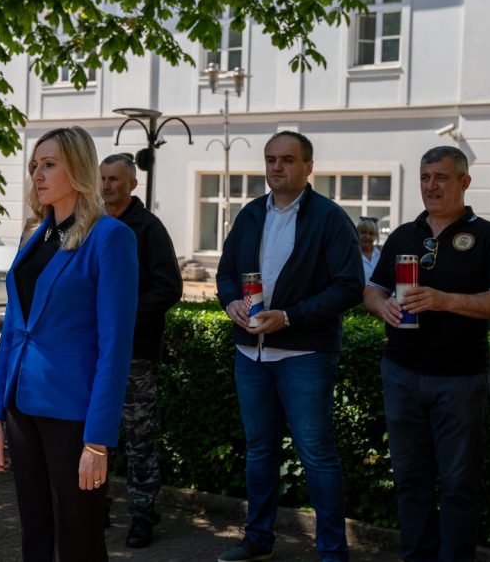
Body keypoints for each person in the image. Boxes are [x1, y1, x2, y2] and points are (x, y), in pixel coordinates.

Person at [0, 126, 138, 562]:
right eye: (35, 165)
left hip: (73, 414)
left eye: (49, 164)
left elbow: (115, 346)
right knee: (35, 533)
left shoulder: (110, 237)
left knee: (78, 539)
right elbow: (13, 330)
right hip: (21, 407)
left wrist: (98, 442)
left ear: (79, 168)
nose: (37, 174)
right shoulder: (35, 235)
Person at [363, 145, 490, 561]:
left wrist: (443, 300)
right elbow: (371, 290)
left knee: (458, 485)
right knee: (410, 481)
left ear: (464, 182)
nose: (431, 186)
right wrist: (383, 306)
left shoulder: (487, 236)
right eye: (425, 177)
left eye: (441, 178)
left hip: (460, 379)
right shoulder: (403, 234)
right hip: (401, 373)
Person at [216, 131, 363, 562]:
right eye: (270, 159)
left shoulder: (330, 218)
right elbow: (226, 274)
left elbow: (350, 286)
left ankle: (332, 552)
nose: (276, 167)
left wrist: (290, 316)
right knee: (259, 452)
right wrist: (230, 303)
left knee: (317, 455)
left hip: (305, 355)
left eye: (287, 159)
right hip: (251, 353)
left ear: (308, 166)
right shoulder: (249, 214)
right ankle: (257, 540)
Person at [99, 153, 183, 548]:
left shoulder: (148, 228)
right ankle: (95, 505)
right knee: (94, 432)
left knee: (140, 437)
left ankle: (143, 513)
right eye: (102, 178)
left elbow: (169, 288)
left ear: (133, 184)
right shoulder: (90, 223)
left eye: (114, 179)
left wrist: (122, 317)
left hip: (135, 353)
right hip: (93, 353)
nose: (106, 186)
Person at [358, 217, 381, 281]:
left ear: (376, 236)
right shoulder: (352, 255)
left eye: (371, 234)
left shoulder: (381, 254)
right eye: (363, 232)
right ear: (357, 233)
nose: (367, 236)